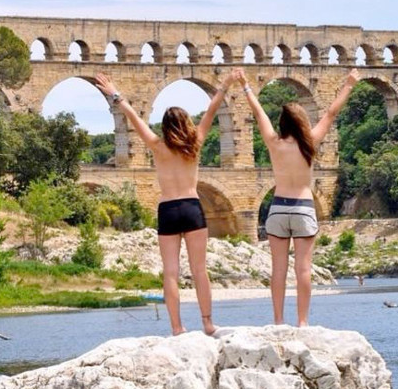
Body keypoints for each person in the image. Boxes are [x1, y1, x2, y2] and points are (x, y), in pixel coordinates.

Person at [95, 70, 238, 336]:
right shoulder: (195, 143)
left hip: (168, 209)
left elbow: (133, 117)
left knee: (171, 272)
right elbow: (212, 109)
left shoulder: (157, 146)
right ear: (186, 124)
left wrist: (115, 94)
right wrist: (226, 83)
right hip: (192, 208)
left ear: (165, 127)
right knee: (199, 270)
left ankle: (177, 328)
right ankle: (208, 323)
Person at [237, 67, 361, 326]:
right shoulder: (310, 141)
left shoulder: (274, 143)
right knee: (303, 268)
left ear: (282, 123)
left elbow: (259, 113)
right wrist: (349, 84)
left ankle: (278, 321)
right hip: (303, 207)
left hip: (278, 208)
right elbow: (331, 113)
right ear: (302, 122)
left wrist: (246, 86)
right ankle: (302, 322)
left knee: (278, 269)